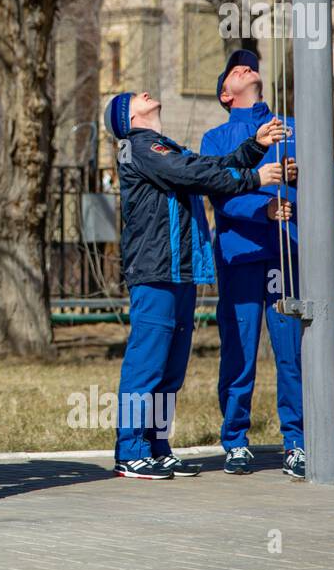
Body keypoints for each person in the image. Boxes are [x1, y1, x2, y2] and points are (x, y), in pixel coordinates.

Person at [104, 90, 290, 479]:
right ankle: (130, 450)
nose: (144, 92)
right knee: (147, 363)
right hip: (155, 271)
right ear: (128, 117)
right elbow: (194, 175)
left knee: (170, 368)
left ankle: (157, 445)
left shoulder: (165, 148)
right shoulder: (140, 147)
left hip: (180, 271)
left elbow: (210, 166)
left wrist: (254, 148)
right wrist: (255, 177)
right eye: (132, 96)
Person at [200, 49, 305, 478]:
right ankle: (236, 440)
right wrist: (260, 212)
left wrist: (305, 173)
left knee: (291, 352)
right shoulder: (215, 139)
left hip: (286, 253)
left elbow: (331, 170)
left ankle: (297, 442)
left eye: (248, 63)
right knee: (240, 350)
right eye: (234, 68)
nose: (245, 66)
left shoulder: (293, 127)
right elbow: (217, 191)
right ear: (226, 94)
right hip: (240, 254)